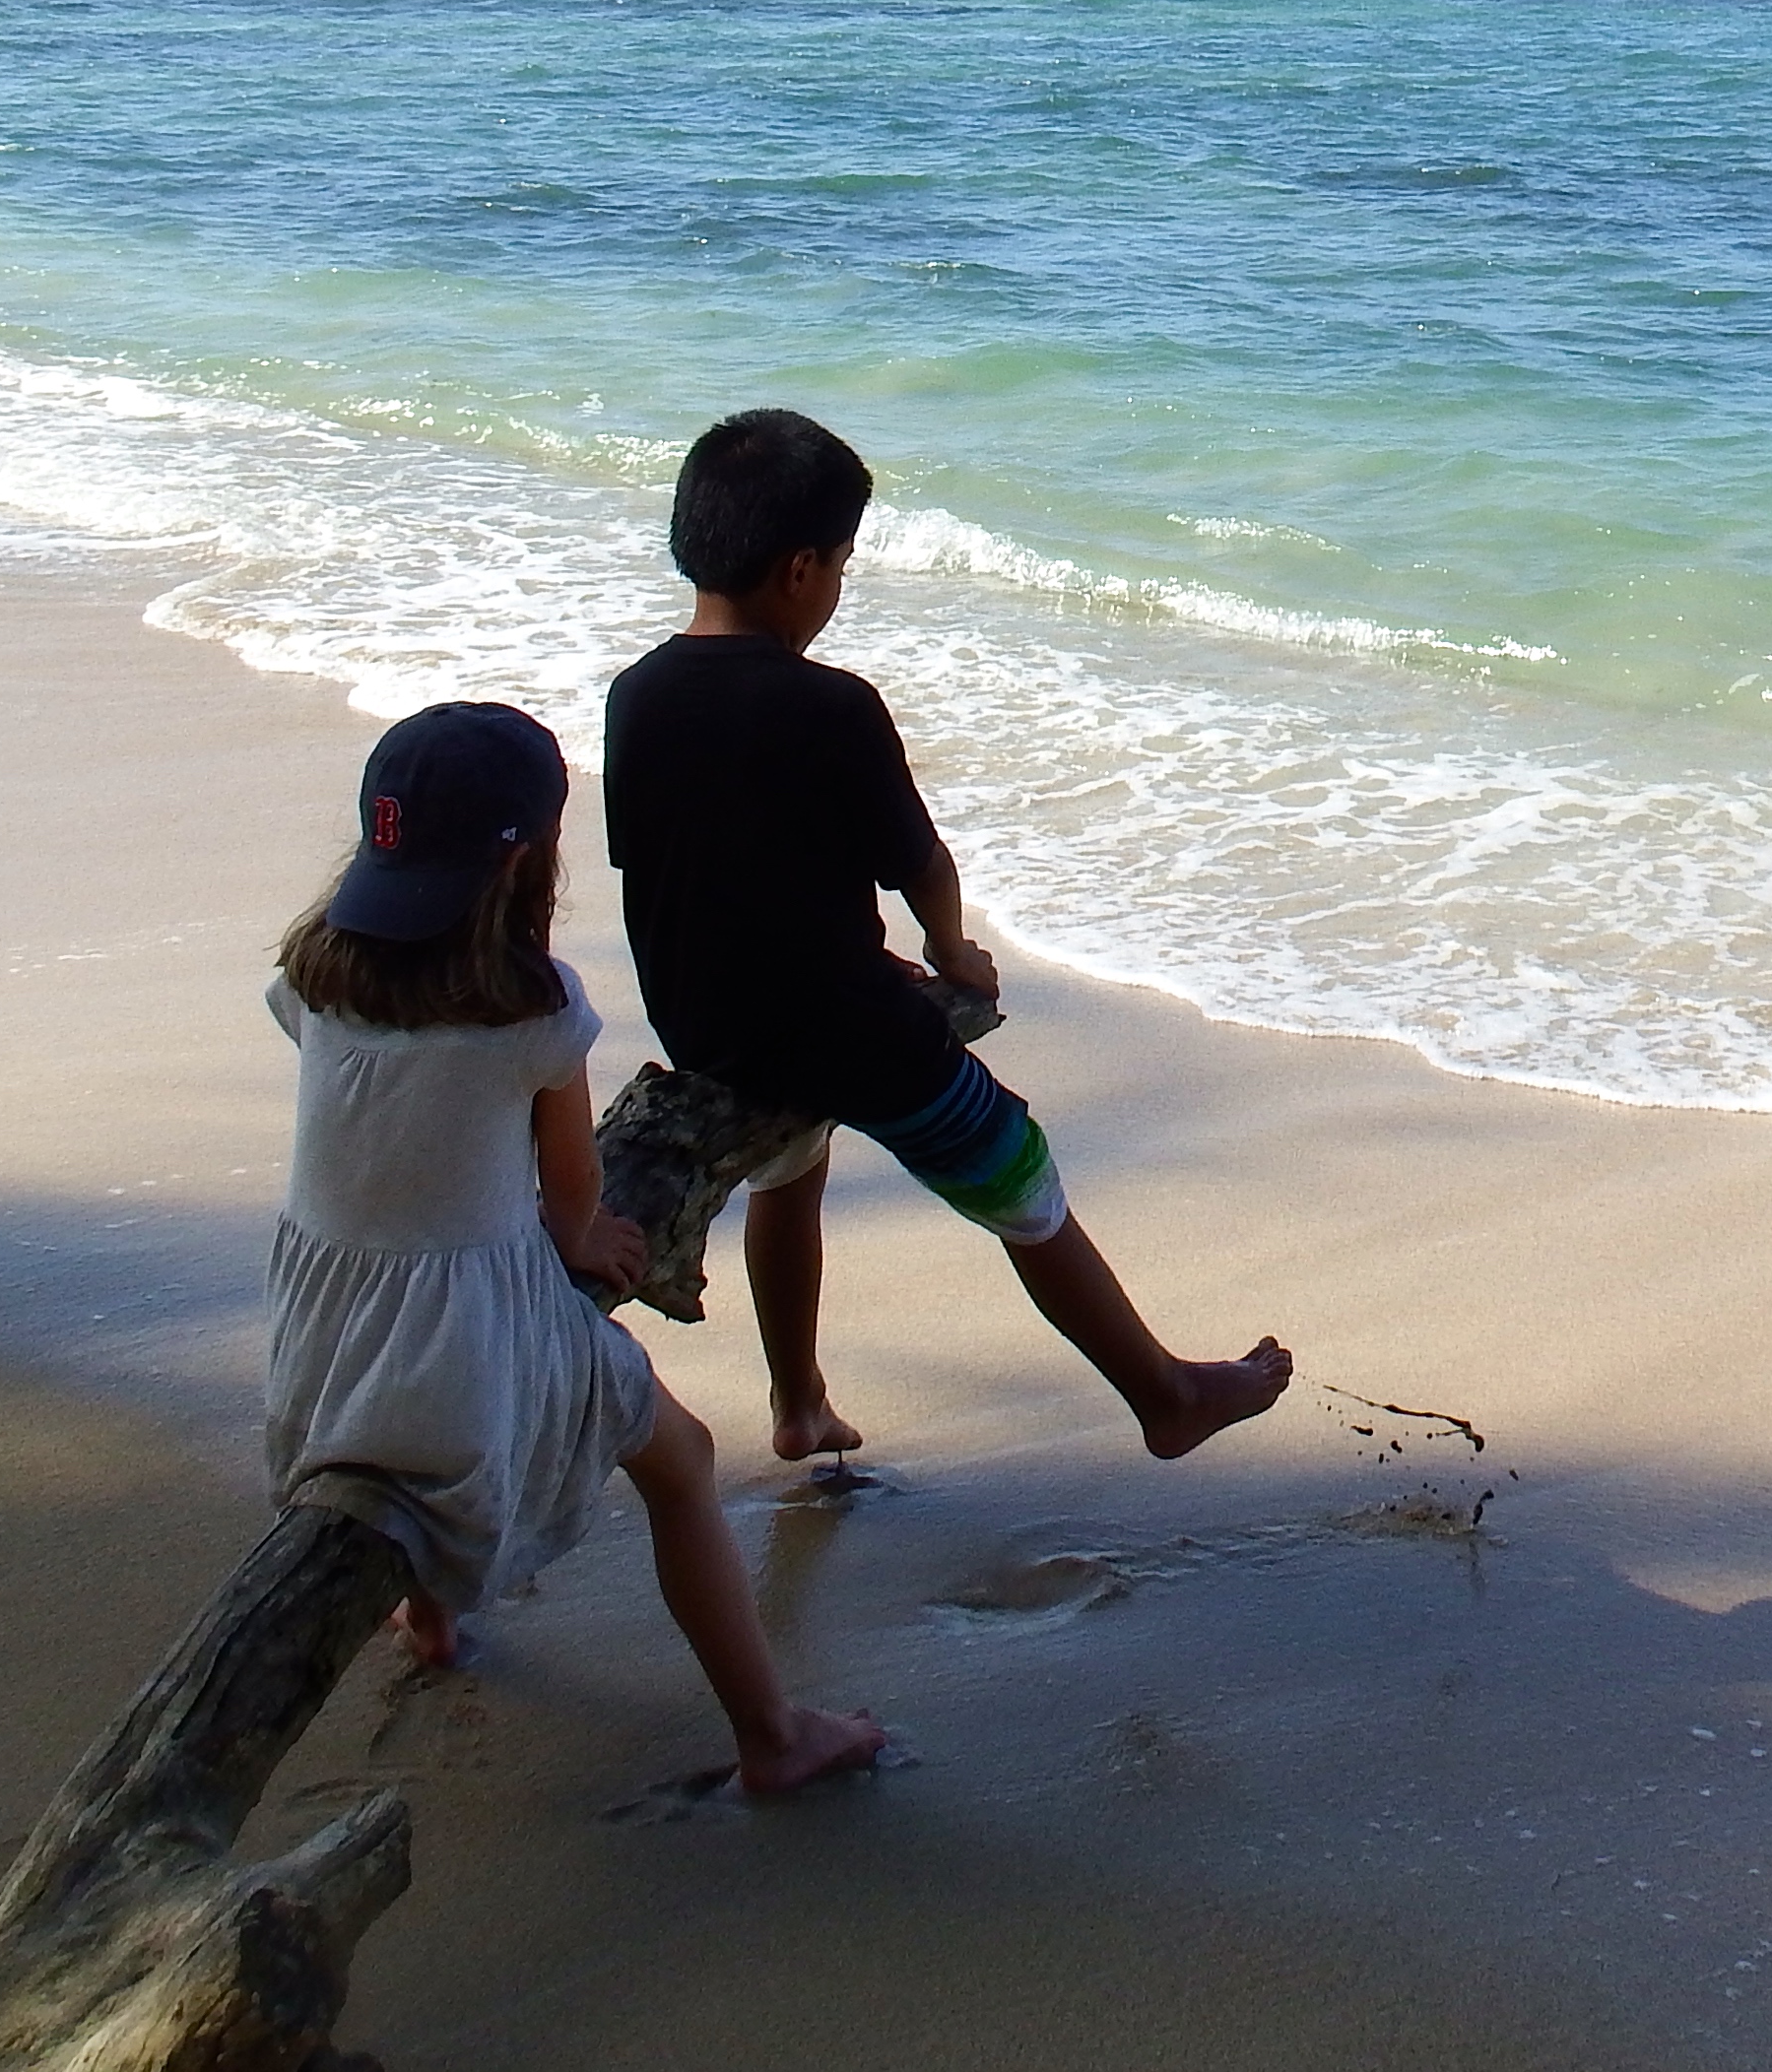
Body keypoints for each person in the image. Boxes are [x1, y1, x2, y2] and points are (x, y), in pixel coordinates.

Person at [604, 407, 1292, 1464]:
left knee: (792, 1168)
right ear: (801, 570)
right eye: (841, 562)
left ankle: (799, 1403)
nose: (839, 583)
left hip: (708, 1024)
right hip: (847, 1029)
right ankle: (1164, 1395)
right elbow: (918, 862)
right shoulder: (833, 707)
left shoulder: (634, 696)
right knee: (1019, 1175)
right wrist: (952, 952)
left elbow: (657, 864)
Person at [262, 697, 882, 1795]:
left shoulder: (312, 974)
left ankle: (429, 1617)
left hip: (325, 1348)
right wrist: (586, 1239)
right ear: (528, 862)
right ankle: (772, 1735)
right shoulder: (533, 1011)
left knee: (410, 1431)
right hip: (468, 1349)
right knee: (680, 1464)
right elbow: (569, 1184)